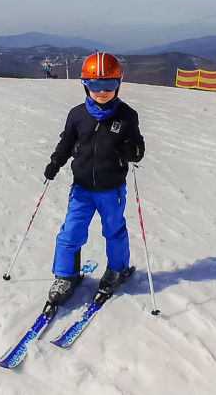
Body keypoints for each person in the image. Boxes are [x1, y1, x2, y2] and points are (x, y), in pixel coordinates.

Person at [43, 52, 145, 308]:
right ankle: (66, 275)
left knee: (114, 231)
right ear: (85, 85)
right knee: (70, 232)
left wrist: (131, 150)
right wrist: (55, 163)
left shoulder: (127, 116)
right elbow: (66, 143)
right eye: (95, 84)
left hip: (112, 189)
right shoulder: (77, 115)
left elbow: (138, 150)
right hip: (82, 189)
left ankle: (117, 269)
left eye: (109, 84)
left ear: (118, 84)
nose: (102, 91)